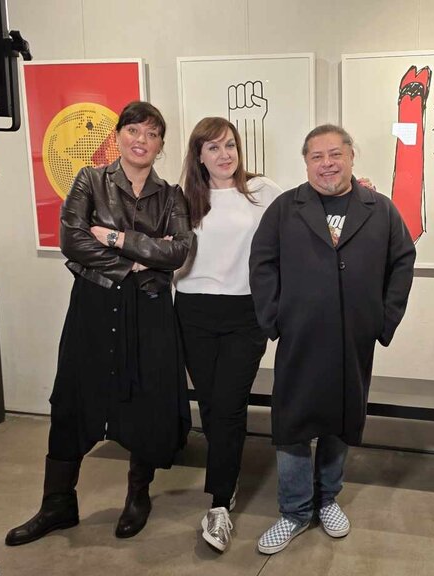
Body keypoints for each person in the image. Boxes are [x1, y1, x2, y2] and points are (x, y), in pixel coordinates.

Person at [5, 101, 193, 546]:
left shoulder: (171, 196)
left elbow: (178, 252)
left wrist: (112, 236)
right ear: (118, 136)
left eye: (151, 134)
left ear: (160, 145)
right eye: (134, 131)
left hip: (149, 310)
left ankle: (138, 496)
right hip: (94, 305)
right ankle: (57, 503)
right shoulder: (90, 180)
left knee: (145, 399)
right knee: (73, 395)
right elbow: (72, 239)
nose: (141, 140)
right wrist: (134, 263)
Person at [249, 124, 416, 554]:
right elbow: (263, 263)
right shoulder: (286, 208)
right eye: (317, 157)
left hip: (353, 339)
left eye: (335, 154)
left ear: (351, 156)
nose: (327, 164)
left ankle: (327, 500)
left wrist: (383, 320)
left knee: (341, 421)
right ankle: (294, 511)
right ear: (306, 163)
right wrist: (273, 319)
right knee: (292, 424)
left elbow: (402, 261)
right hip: (300, 337)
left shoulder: (379, 209)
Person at [174, 117, 283, 552]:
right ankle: (227, 480)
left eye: (230, 145)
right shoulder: (183, 199)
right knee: (210, 404)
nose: (225, 155)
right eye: (214, 147)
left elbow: (306, 213)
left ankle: (219, 504)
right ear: (199, 155)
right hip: (193, 311)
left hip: (245, 312)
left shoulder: (261, 191)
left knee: (229, 404)